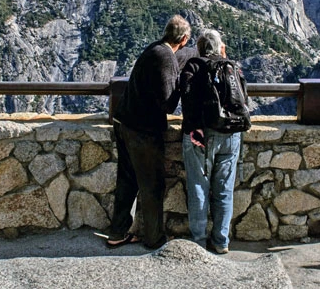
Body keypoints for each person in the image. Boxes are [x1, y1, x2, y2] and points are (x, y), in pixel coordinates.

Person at [106, 14, 191, 250]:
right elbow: (168, 105)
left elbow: (178, 57)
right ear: (183, 39)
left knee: (127, 181)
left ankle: (117, 233)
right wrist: (183, 85)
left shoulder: (156, 49)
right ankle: (154, 238)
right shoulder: (165, 57)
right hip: (142, 130)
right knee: (152, 184)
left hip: (124, 121)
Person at [179, 28, 247, 255]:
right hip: (231, 134)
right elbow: (244, 99)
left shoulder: (194, 66)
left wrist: (193, 129)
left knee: (198, 186)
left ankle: (198, 242)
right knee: (224, 189)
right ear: (220, 47)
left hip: (202, 135)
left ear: (198, 48)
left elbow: (187, 101)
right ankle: (221, 241)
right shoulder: (233, 67)